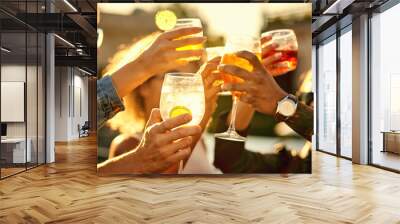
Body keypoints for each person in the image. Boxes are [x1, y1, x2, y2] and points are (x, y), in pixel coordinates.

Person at [97, 27, 207, 174]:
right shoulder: (128, 145)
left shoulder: (202, 143)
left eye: (191, 79)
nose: (184, 88)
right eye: (173, 76)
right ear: (143, 86)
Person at [212, 34, 313, 173]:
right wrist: (252, 85)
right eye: (307, 103)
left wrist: (283, 104)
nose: (308, 108)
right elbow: (229, 161)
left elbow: (343, 139)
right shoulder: (294, 166)